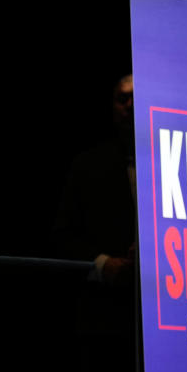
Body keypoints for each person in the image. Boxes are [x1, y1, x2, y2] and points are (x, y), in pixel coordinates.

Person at [54, 74, 136, 284]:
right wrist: (102, 262)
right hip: (103, 300)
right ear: (112, 106)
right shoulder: (87, 166)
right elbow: (63, 236)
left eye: (137, 97)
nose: (131, 105)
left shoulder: (173, 164)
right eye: (123, 98)